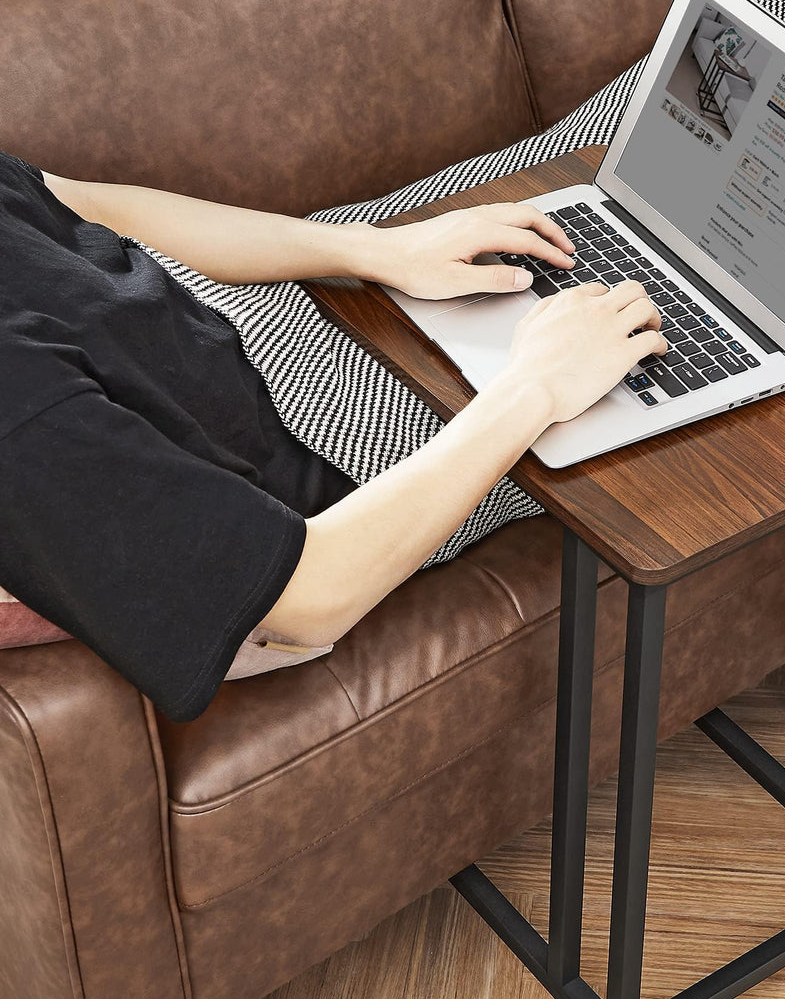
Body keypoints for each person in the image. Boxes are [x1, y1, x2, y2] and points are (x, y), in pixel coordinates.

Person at [0, 151, 667, 719]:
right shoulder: (23, 415)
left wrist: (373, 247)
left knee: (595, 167)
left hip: (271, 290)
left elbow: (75, 201)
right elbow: (307, 598)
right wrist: (537, 387)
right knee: (676, 247)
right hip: (337, 446)